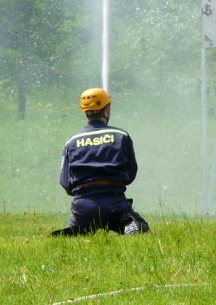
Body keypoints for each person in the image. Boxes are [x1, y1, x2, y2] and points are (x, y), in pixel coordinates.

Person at [53, 88, 150, 236]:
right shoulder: (121, 136)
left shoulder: (71, 142)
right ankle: (128, 224)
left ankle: (78, 227)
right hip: (115, 204)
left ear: (85, 112)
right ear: (105, 110)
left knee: (71, 233)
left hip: (84, 206)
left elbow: (65, 183)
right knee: (140, 228)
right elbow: (131, 174)